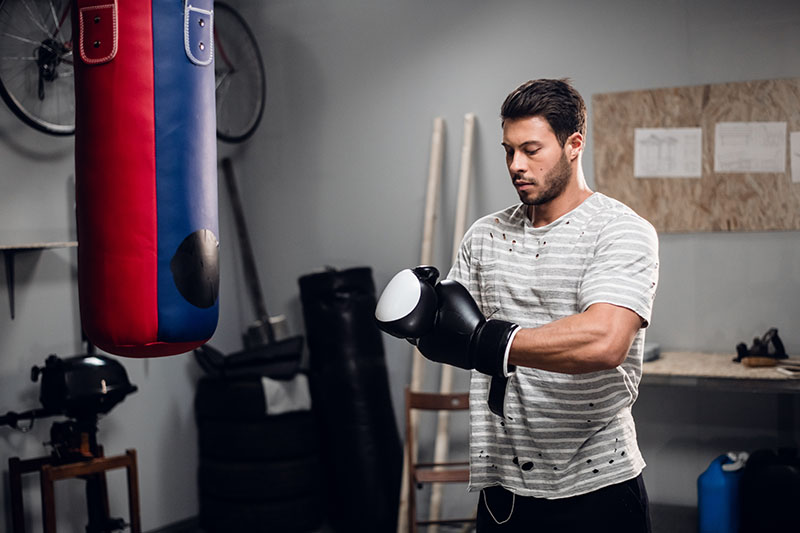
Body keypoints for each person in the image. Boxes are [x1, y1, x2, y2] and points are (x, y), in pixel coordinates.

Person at [376, 78, 659, 532]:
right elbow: (451, 336)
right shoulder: (484, 237)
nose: (516, 165)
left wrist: (497, 342)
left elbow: (606, 341)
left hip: (598, 484)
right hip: (504, 487)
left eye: (531, 150)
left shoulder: (621, 231)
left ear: (574, 145)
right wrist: (423, 318)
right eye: (508, 150)